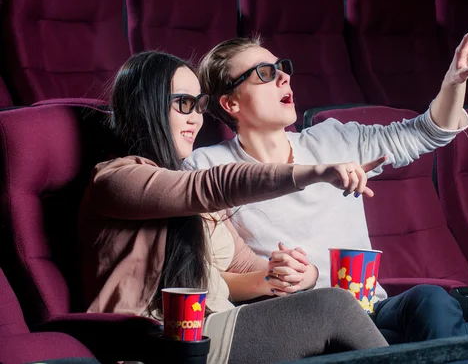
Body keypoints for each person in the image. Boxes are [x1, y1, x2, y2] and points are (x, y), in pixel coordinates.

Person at [183, 24, 468, 364]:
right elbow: (205, 275)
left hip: (370, 307)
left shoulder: (332, 140)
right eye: (264, 73)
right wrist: (273, 278)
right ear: (231, 102)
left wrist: (454, 81)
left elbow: (428, 132)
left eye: (282, 68)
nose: (283, 78)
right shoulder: (207, 169)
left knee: (432, 301)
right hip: (298, 318)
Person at [77, 50, 389, 364]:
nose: (195, 118)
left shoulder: (193, 195)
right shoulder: (115, 179)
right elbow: (215, 184)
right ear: (148, 106)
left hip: (212, 328)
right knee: (334, 308)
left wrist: (296, 276)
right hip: (154, 340)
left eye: (199, 106)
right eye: (184, 104)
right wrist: (315, 172)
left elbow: (247, 268)